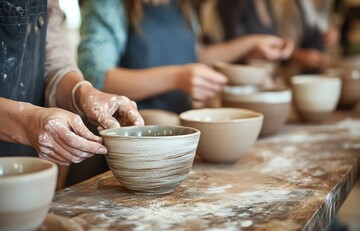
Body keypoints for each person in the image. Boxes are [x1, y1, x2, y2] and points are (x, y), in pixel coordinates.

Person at [0, 0, 144, 166]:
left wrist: (83, 92)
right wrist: (28, 122)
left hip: (28, 161)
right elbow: (98, 71)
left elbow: (54, 59)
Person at [78, 0, 227, 115]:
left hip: (181, 123)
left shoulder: (183, 6)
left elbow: (194, 56)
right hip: (131, 129)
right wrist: (177, 78)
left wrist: (248, 44)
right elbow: (96, 79)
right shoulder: (108, 5)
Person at [277, 0, 339, 74]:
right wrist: (300, 56)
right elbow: (281, 46)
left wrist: (333, 35)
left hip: (321, 71)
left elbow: (330, 27)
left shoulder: (325, 4)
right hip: (295, 73)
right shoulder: (290, 6)